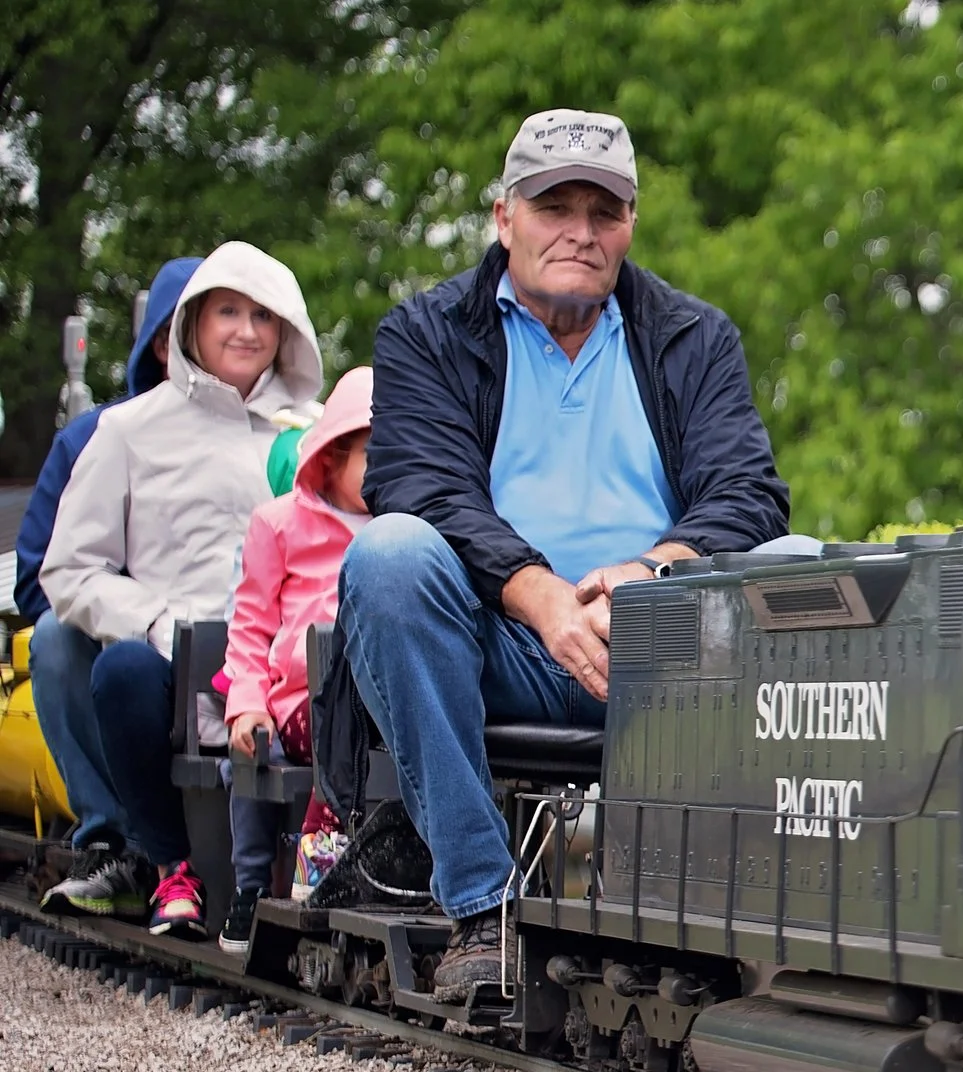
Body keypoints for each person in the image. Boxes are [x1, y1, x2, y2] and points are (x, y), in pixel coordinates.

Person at [343, 108, 789, 1000]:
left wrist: (655, 571)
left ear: (631, 224)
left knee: (802, 561)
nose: (581, 232)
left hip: (663, 647)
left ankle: (754, 908)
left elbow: (749, 493)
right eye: (555, 206)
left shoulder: (696, 337)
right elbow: (421, 486)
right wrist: (539, 593)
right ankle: (483, 906)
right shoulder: (425, 333)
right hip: (496, 642)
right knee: (389, 555)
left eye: (604, 211)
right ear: (504, 216)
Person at [38, 243, 324, 933]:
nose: (246, 331)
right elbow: (68, 569)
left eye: (263, 315)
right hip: (175, 662)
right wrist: (156, 622)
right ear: (191, 322)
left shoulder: (315, 433)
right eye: (228, 312)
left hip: (289, 665)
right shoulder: (128, 430)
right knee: (123, 671)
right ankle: (171, 865)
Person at [21, 258, 203, 863]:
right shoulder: (92, 438)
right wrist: (133, 612)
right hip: (124, 651)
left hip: (231, 644)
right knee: (54, 635)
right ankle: (113, 838)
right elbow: (39, 577)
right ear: (162, 343)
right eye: (208, 321)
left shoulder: (278, 439)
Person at [215, 365, 372, 951]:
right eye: (374, 454)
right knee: (258, 747)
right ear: (332, 456)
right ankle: (258, 883)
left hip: (377, 699)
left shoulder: (404, 530)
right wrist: (247, 703)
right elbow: (250, 626)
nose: (390, 469)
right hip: (297, 702)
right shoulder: (279, 523)